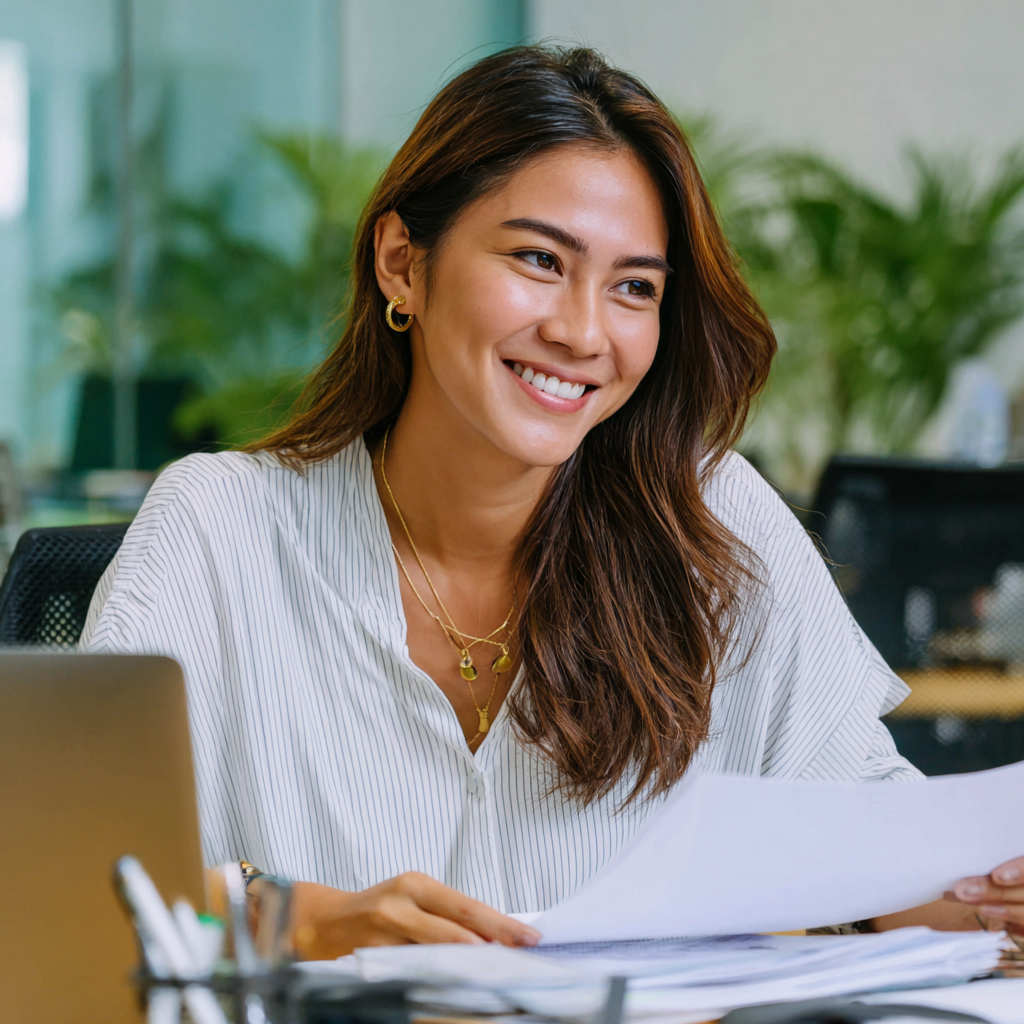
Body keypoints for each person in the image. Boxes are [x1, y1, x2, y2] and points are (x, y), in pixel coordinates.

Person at [81, 45, 1024, 956]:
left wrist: (988, 901)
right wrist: (309, 924)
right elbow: (84, 887)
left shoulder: (713, 521)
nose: (582, 331)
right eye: (539, 260)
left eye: (634, 288)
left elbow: (870, 856)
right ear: (403, 264)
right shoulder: (220, 532)